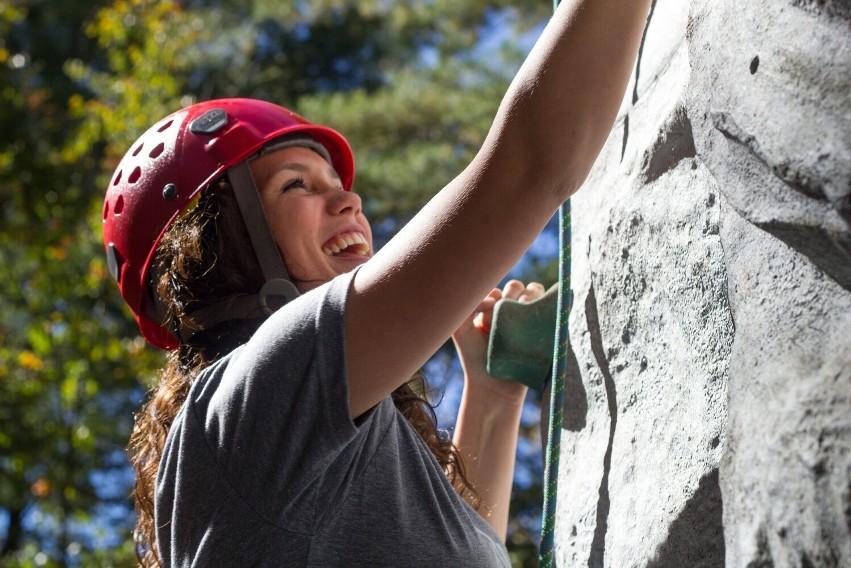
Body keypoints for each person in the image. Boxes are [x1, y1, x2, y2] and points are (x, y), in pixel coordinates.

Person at [102, 0, 651, 566]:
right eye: (297, 186)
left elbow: (442, 544)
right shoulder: (250, 400)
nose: (349, 199)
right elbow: (528, 168)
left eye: (336, 182)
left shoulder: (285, 442)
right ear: (221, 244)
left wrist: (489, 395)